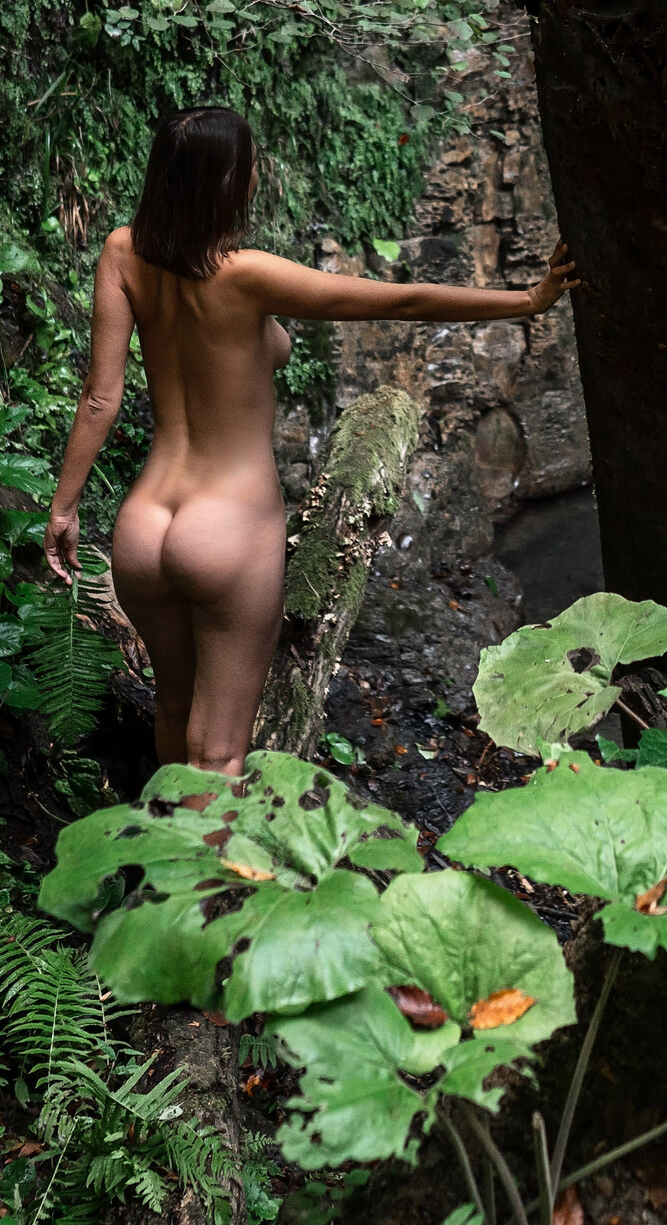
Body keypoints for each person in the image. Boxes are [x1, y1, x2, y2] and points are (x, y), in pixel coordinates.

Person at [42, 105, 576, 773]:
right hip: (227, 524)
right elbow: (400, 300)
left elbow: (100, 396)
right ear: (232, 179)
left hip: (146, 523)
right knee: (220, 751)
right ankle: (210, 875)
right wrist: (527, 299)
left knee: (174, 714)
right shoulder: (247, 274)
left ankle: (161, 863)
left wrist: (64, 508)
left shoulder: (123, 252)